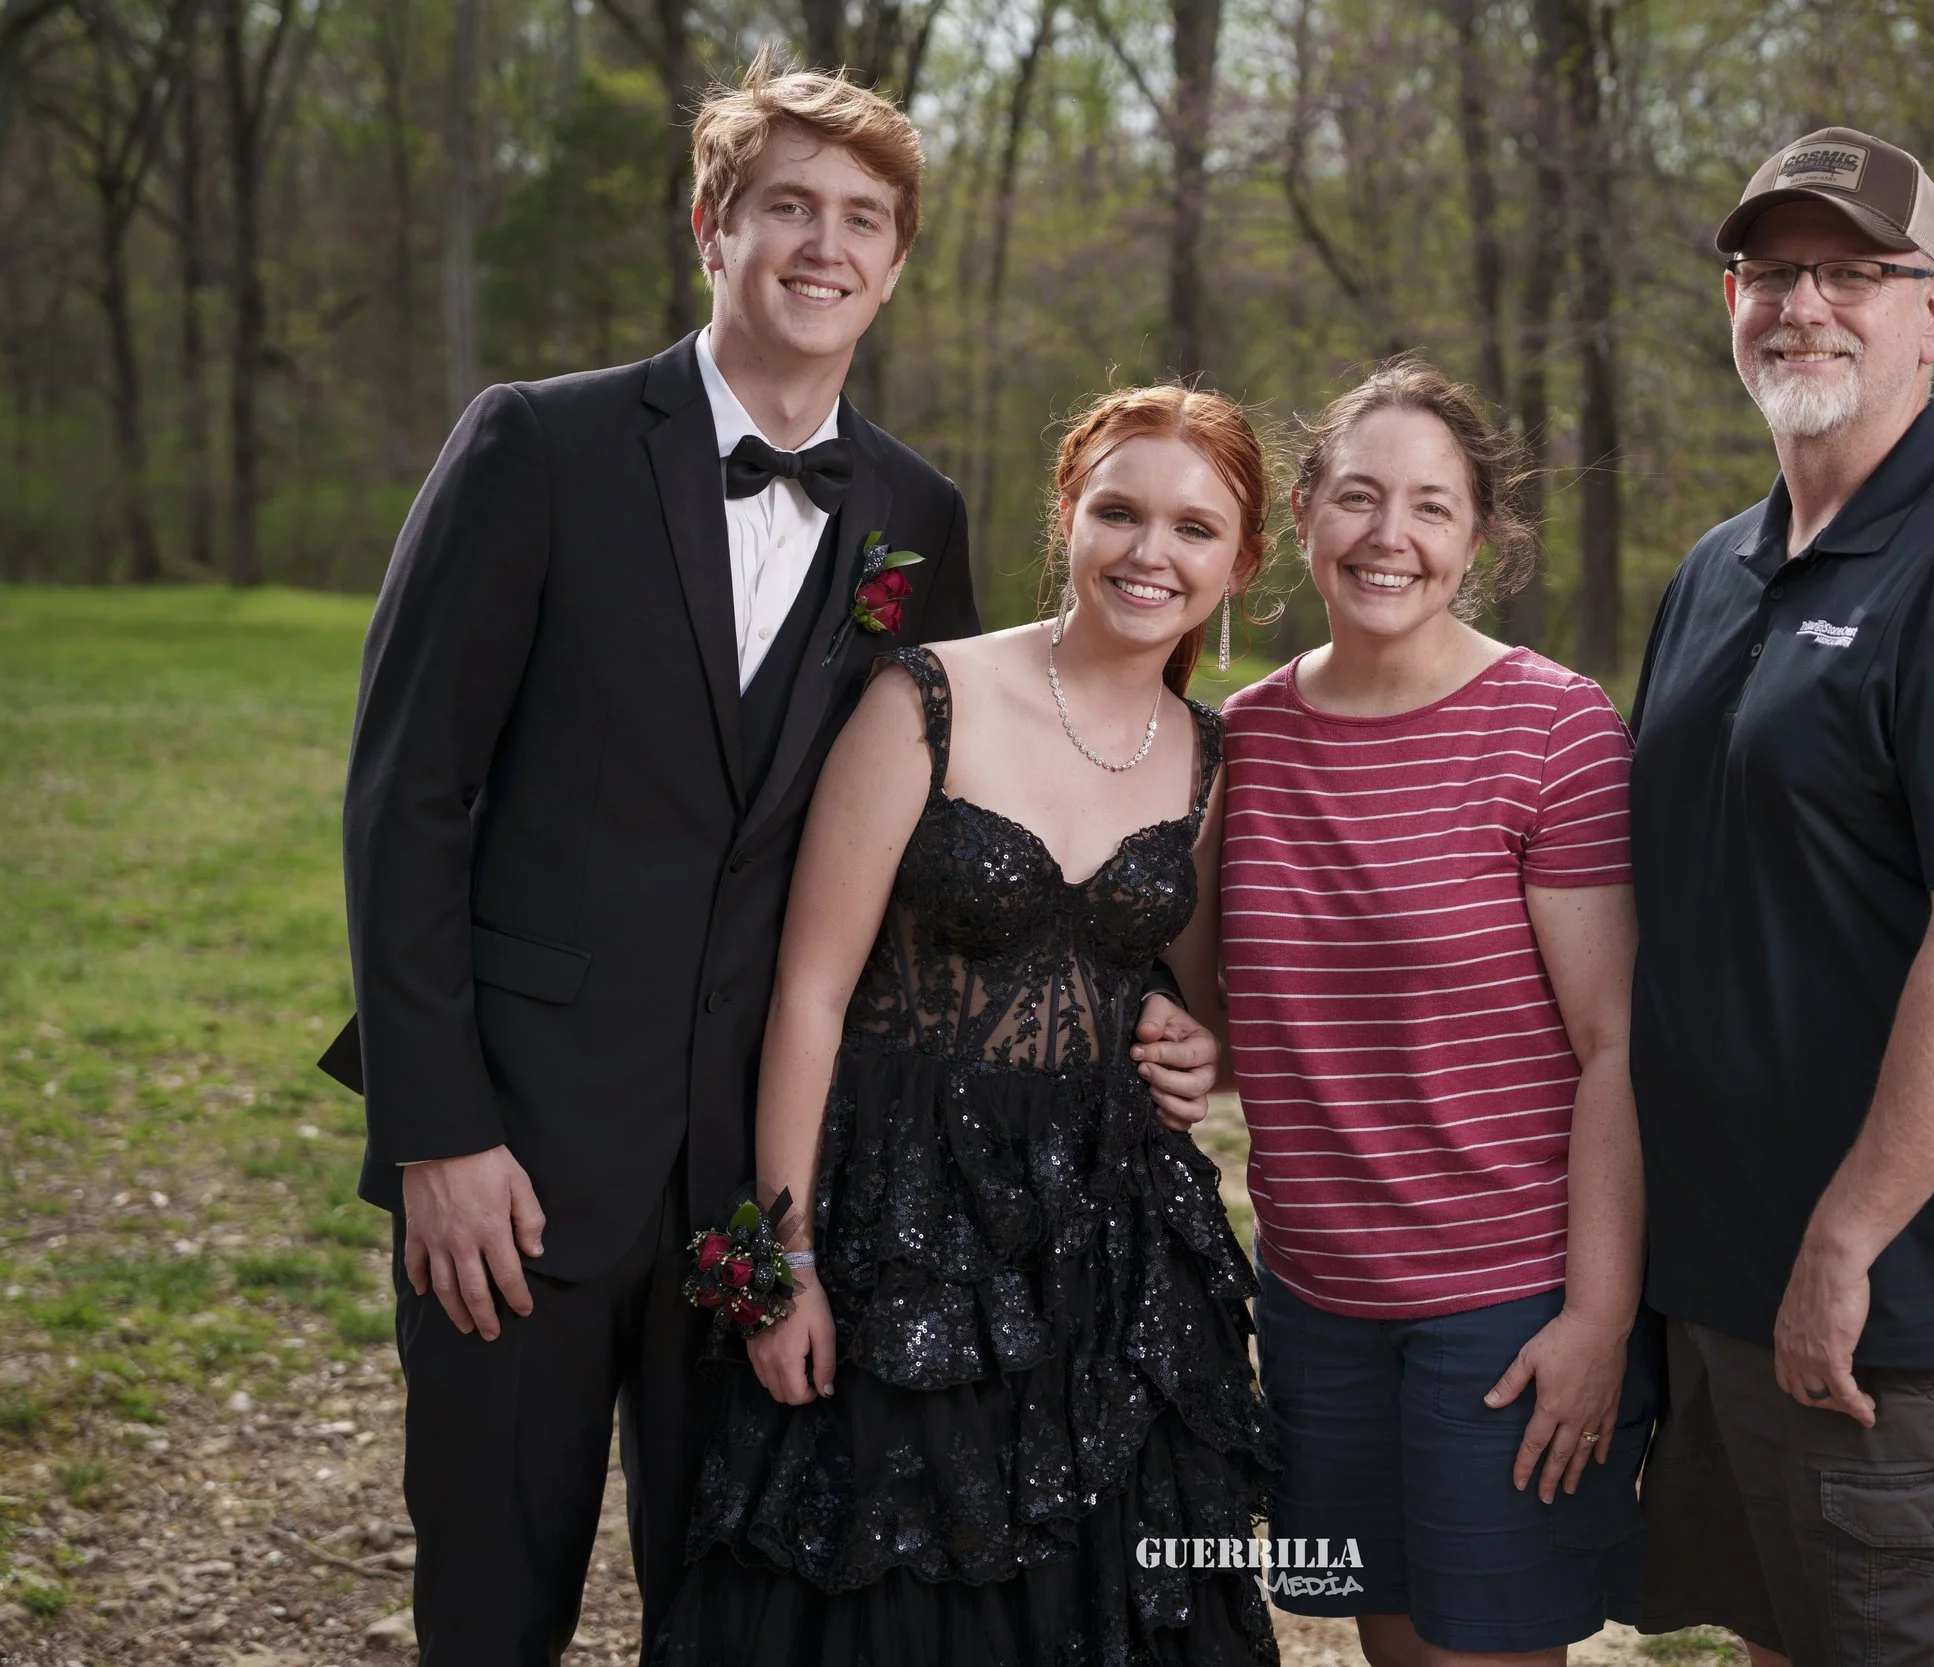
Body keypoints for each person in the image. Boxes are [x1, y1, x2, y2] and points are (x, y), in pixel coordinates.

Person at [329, 56, 1216, 1666]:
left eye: (862, 218)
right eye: (787, 207)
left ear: (895, 259)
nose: (825, 244)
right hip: (520, 1153)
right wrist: (435, 1130)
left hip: (772, 1176)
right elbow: (405, 804)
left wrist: (1146, 1007)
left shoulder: (915, 512)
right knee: (488, 1604)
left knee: (737, 1604)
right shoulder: (536, 445)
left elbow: (952, 830)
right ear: (711, 228)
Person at [658, 383, 1281, 1666]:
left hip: (1114, 1251)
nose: (1148, 553)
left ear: (1241, 560)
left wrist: (1194, 1044)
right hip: (902, 1228)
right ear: (1067, 515)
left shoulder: (1210, 755)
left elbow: (1189, 993)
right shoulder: (924, 698)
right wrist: (786, 1270)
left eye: (1192, 528)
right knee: (893, 1584)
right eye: (1117, 510)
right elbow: (810, 993)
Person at [1626, 129, 1934, 1667]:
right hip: (1717, 1275)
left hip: (1887, 1294)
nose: (1804, 305)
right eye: (1773, 271)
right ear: (1729, 299)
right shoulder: (1716, 571)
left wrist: (1849, 1241)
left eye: (1852, 271)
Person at [1169, 357, 1652, 1667]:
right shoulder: (1244, 737)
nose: (1392, 536)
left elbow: (1615, 1044)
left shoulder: (1552, 726)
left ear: (1482, 537)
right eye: (1361, 497)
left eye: (1433, 507)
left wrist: (1598, 1316)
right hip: (1317, 1293)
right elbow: (1213, 1015)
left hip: (1504, 1302)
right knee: (1395, 1649)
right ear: (1307, 518)